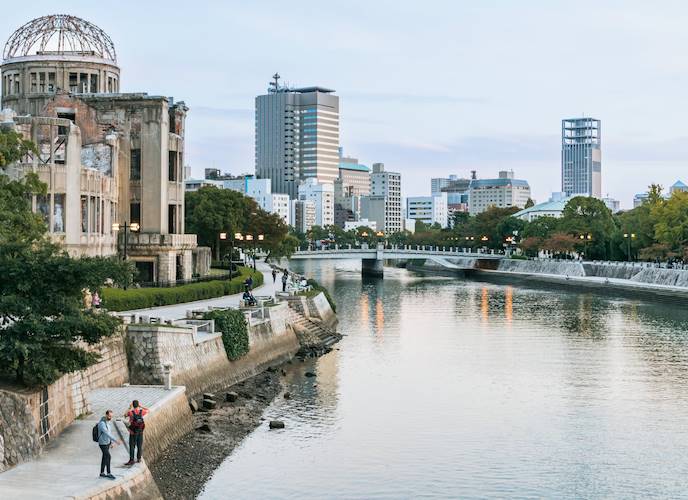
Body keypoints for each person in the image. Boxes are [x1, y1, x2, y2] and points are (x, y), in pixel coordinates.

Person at [124, 400, 148, 465]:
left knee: (132, 445)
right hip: (140, 431)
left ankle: (131, 460)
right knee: (139, 445)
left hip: (133, 431)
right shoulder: (142, 411)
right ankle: (139, 459)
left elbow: (124, 415)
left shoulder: (130, 412)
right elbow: (148, 410)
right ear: (138, 405)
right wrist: (141, 406)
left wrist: (129, 407)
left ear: (133, 405)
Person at [97, 410, 120, 479]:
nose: (110, 417)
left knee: (104, 457)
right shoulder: (102, 423)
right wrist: (116, 441)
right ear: (106, 415)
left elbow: (109, 433)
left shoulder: (108, 422)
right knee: (108, 456)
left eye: (111, 416)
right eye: (109, 416)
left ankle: (102, 473)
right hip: (102, 443)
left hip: (107, 443)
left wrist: (111, 442)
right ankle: (109, 473)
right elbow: (107, 433)